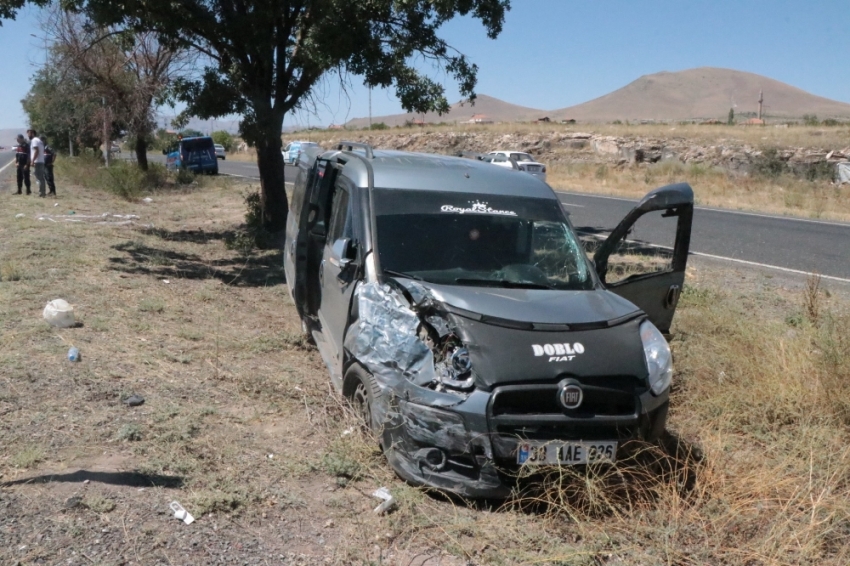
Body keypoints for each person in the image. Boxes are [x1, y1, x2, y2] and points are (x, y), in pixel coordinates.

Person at [27, 129, 46, 198]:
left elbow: (36, 151)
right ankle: (42, 192)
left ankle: (42, 193)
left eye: (28, 134)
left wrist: (32, 161)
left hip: (37, 161)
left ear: (32, 133)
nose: (28, 135)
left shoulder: (34, 140)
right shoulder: (39, 140)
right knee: (40, 177)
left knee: (40, 178)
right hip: (41, 161)